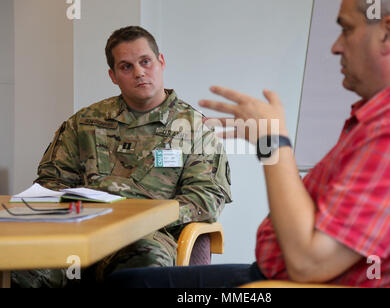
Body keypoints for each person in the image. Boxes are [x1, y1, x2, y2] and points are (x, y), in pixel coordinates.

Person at [106, 0, 390, 288]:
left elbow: (308, 264)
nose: (335, 46)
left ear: (388, 33)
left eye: (346, 29)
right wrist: (268, 143)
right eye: (126, 67)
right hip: (274, 276)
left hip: (290, 284)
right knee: (128, 282)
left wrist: (273, 142)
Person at [12, 26, 232, 288]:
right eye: (126, 67)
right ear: (113, 76)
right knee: (19, 268)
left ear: (161, 62)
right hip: (78, 232)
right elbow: (51, 182)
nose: (139, 72)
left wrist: (142, 217)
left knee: (145, 265)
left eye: (145, 62)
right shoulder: (84, 122)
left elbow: (205, 198)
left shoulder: (196, 128)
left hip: (146, 237)